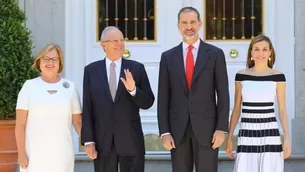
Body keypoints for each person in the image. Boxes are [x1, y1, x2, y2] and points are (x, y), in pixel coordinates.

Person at [157, 7, 230, 172]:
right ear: (178, 26)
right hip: (177, 131)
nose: (188, 26)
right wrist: (165, 131)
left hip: (208, 130)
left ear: (200, 24)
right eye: (184, 23)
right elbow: (163, 97)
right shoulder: (167, 57)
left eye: (192, 22)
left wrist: (221, 128)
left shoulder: (215, 54)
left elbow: (223, 94)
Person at [81, 26, 155, 172]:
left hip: (131, 142)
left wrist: (133, 90)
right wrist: (88, 140)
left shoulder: (136, 68)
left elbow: (148, 102)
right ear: (103, 45)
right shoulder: (91, 71)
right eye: (115, 40)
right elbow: (88, 107)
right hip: (103, 143)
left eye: (121, 40)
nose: (119, 44)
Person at [225, 34, 291, 172]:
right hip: (247, 133)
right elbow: (236, 109)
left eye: (265, 49)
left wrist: (287, 139)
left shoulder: (278, 77)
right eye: (257, 49)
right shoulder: (241, 76)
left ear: (270, 53)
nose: (260, 53)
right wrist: (229, 137)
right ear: (251, 52)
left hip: (270, 134)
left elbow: (283, 110)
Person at [15, 44, 82, 172]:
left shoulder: (70, 87)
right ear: (39, 62)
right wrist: (21, 153)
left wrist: (89, 143)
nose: (50, 62)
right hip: (34, 154)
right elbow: (20, 125)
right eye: (46, 59)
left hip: (62, 154)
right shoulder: (29, 87)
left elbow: (77, 122)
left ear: (60, 63)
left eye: (54, 59)